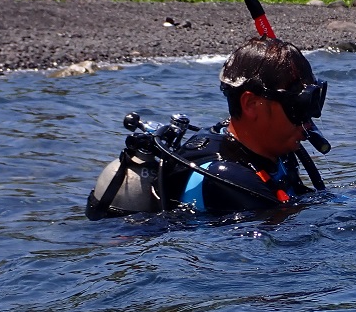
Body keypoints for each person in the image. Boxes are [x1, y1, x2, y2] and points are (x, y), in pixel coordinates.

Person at [86, 36, 329, 220]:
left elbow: (302, 199)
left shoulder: (272, 150)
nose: (308, 123)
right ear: (252, 105)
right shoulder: (224, 177)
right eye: (297, 107)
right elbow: (289, 228)